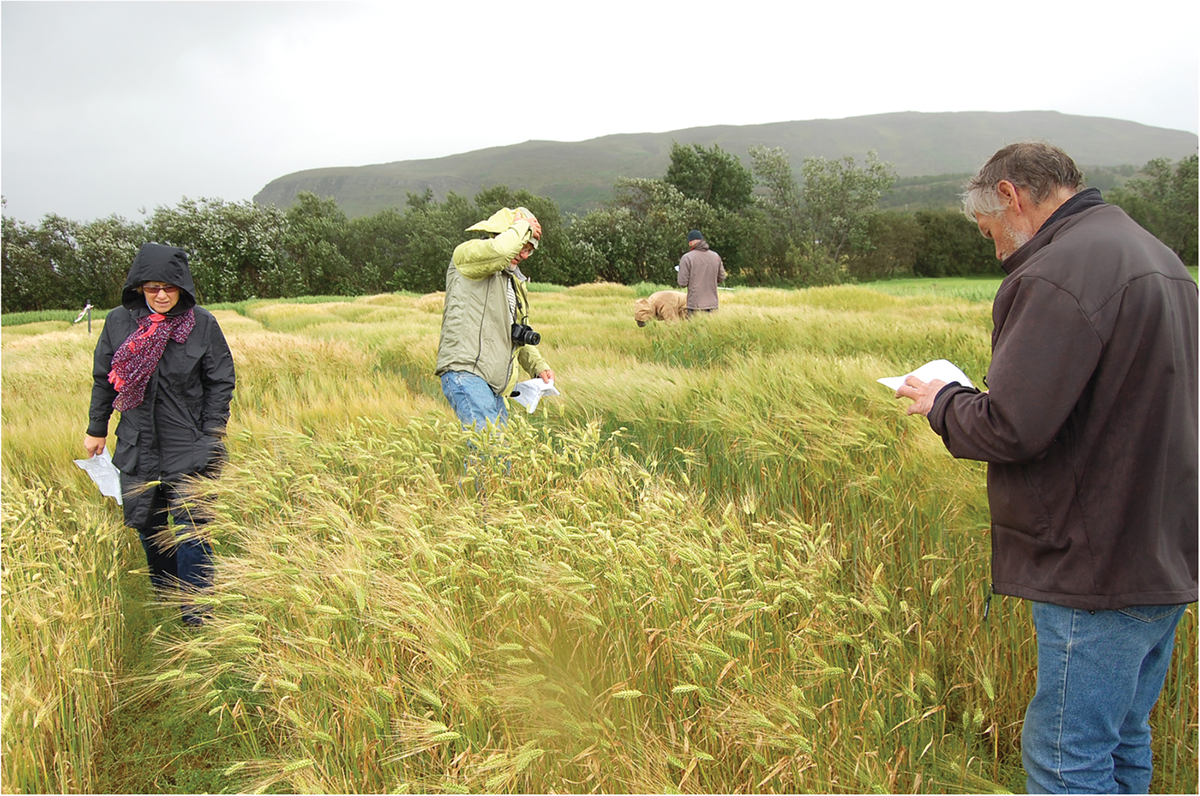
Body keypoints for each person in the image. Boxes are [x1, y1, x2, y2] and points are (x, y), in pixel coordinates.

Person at [895, 142, 1197, 793]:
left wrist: (942, 401)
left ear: (1011, 197)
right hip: (1163, 550)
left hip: (1095, 562)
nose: (998, 251)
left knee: (1066, 752)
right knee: (1122, 736)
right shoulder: (1156, 256)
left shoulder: (1059, 270)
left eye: (989, 233)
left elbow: (1012, 426)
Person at [84, 243, 236, 627]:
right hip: (138, 445)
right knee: (150, 529)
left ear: (183, 287)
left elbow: (220, 382)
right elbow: (105, 379)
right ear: (138, 289)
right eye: (152, 288)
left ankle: (197, 616)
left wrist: (210, 436)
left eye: (170, 287)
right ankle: (168, 596)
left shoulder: (202, 324)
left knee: (193, 531)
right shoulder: (119, 322)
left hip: (190, 445)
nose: (162, 295)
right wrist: (96, 428)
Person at [436, 206, 554, 430]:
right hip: (466, 371)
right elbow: (499, 252)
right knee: (489, 450)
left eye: (530, 250)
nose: (523, 255)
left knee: (499, 458)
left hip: (493, 382)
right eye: (522, 245)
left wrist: (538, 366)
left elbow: (516, 333)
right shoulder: (466, 253)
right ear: (506, 233)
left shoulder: (513, 281)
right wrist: (522, 225)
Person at [677, 229, 726, 317]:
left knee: (695, 330)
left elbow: (682, 282)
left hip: (695, 304)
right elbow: (722, 277)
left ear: (690, 242)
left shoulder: (687, 258)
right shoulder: (715, 256)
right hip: (713, 304)